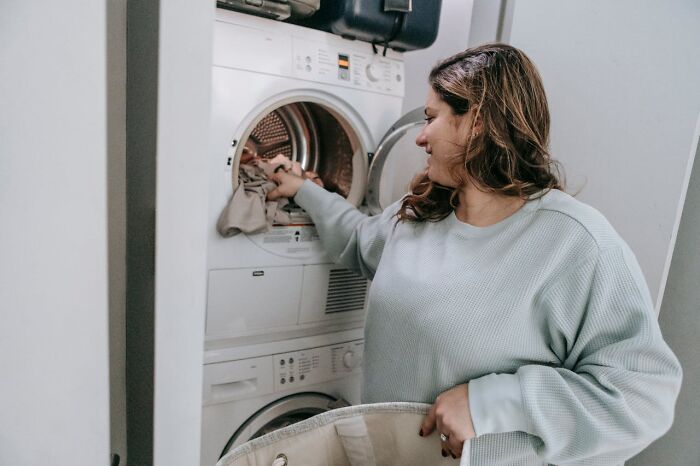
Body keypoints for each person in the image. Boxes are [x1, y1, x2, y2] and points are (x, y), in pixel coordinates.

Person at [266, 44, 682, 465]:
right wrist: (305, 190)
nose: (420, 137)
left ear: (478, 122)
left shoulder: (575, 243)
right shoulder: (421, 214)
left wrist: (492, 402)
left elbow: (643, 398)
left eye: (431, 118)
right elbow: (358, 240)